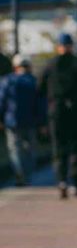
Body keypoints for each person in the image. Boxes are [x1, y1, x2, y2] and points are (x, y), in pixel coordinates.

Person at [37, 33, 77, 199]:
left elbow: (39, 88)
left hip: (57, 109)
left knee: (58, 147)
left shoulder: (50, 65)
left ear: (58, 46)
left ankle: (62, 181)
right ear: (71, 46)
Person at [0, 54, 41, 185]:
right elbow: (40, 103)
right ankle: (27, 174)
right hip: (30, 121)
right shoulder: (33, 81)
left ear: (15, 66)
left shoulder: (7, 80)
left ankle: (19, 174)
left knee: (14, 149)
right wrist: (42, 121)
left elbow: (1, 100)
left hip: (11, 120)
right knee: (30, 149)